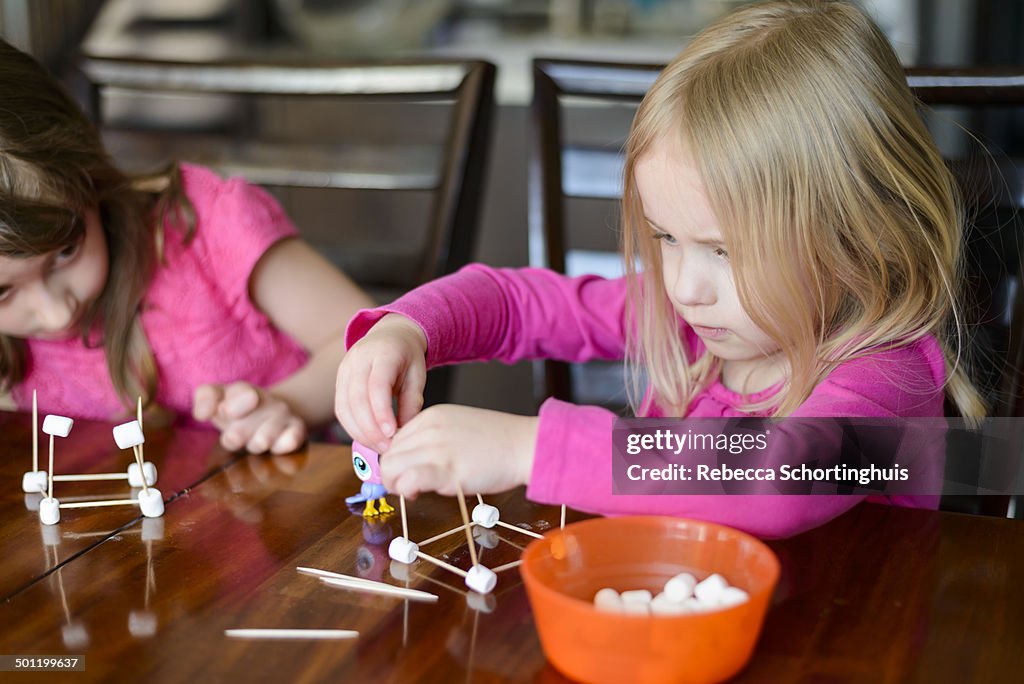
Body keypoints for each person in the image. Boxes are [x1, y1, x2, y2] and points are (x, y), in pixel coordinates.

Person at [334, 0, 985, 537]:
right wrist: (406, 331)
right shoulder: (697, 315)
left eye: (725, 250)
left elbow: (778, 476)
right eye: (667, 237)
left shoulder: (887, 381)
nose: (685, 288)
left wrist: (527, 448)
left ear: (856, 234)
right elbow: (513, 302)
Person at [0, 38, 374, 454]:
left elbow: (365, 342)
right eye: (3, 291)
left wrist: (287, 405)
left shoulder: (207, 225)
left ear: (92, 179)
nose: (56, 314)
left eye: (66, 252)